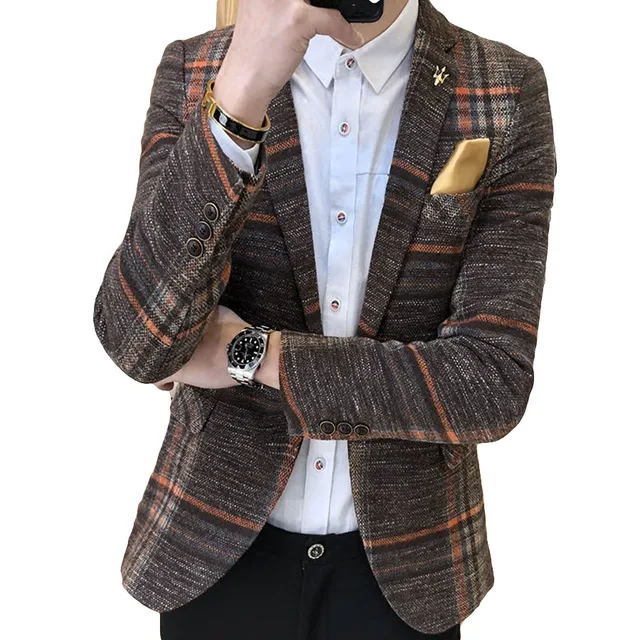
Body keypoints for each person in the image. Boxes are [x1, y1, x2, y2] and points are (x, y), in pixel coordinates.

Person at [92, 0, 556, 637]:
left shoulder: (503, 88)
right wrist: (240, 98)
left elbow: (490, 382)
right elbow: (136, 338)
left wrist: (251, 353)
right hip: (212, 545)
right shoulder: (198, 70)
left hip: (411, 567)